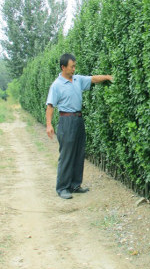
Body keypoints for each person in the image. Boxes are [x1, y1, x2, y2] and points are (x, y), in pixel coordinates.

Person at [46, 53, 113, 199]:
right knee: (67, 155)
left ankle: (75, 185)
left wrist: (107, 77)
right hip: (66, 122)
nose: (74, 69)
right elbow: (50, 105)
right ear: (63, 67)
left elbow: (93, 79)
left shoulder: (77, 80)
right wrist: (49, 124)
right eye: (72, 67)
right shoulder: (56, 85)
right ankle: (62, 187)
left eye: (75, 66)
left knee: (79, 153)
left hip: (78, 120)